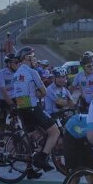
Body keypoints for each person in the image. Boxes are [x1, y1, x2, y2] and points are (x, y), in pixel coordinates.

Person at [12, 45, 60, 176]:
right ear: (26, 58)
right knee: (54, 131)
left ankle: (29, 170)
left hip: (21, 108)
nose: (34, 59)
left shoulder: (16, 74)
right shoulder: (32, 72)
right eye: (32, 57)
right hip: (32, 107)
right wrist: (37, 94)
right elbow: (43, 92)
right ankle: (42, 157)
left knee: (31, 138)